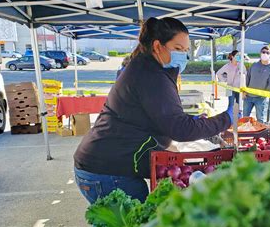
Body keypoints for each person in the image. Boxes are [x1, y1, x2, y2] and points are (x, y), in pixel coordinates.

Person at [73, 17, 233, 203]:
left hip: (103, 165)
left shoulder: (146, 67)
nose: (184, 56)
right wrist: (226, 119)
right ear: (157, 46)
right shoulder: (151, 75)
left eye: (186, 50)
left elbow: (155, 113)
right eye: (178, 49)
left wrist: (190, 119)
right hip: (108, 170)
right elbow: (180, 130)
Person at [243, 46, 270, 123]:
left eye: (267, 53)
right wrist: (244, 91)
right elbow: (248, 78)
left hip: (260, 99)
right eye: (263, 52)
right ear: (260, 53)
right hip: (248, 97)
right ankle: (244, 133)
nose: (265, 54)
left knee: (260, 119)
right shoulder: (254, 65)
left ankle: (259, 134)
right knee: (245, 117)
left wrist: (263, 96)